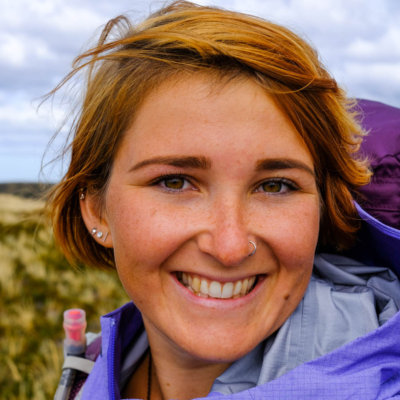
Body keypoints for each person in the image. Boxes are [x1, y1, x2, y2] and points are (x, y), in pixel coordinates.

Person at [47, 1, 400, 399]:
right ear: (96, 207)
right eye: (175, 182)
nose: (230, 247)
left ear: (323, 204)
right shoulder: (97, 363)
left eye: (275, 186)